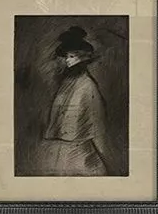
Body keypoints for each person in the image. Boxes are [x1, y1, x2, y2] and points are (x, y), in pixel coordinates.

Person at [21, 24, 118, 175]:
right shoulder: (65, 85)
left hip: (80, 150)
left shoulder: (88, 87)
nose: (67, 60)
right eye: (66, 56)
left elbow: (98, 123)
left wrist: (102, 153)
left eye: (72, 56)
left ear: (82, 58)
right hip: (58, 149)